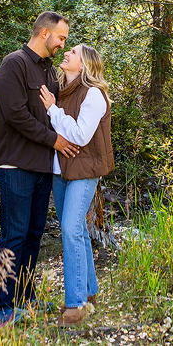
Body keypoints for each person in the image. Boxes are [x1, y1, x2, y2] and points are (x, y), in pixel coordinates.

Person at [0, 11, 80, 326]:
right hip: (15, 163)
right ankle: (1, 308)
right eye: (61, 37)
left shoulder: (50, 72)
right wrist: (54, 141)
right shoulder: (13, 64)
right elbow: (15, 114)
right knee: (13, 234)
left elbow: (57, 112)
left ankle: (25, 298)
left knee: (34, 234)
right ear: (44, 33)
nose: (62, 43)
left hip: (43, 165)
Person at [39, 44, 115, 328]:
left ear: (83, 65)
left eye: (73, 51)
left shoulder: (93, 94)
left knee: (70, 230)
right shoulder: (63, 90)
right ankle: (89, 290)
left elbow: (81, 135)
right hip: (60, 171)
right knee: (78, 231)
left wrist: (53, 111)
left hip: (84, 172)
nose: (66, 53)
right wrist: (54, 109)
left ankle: (75, 305)